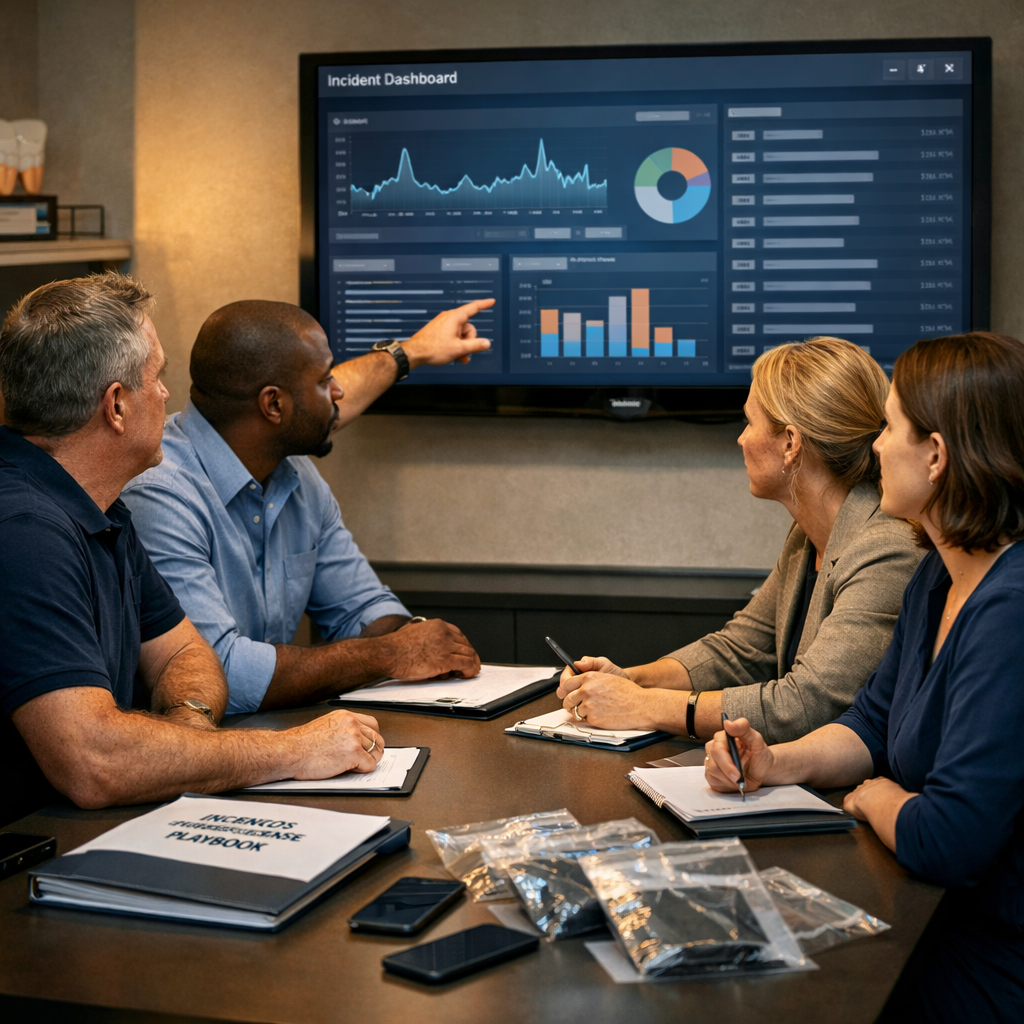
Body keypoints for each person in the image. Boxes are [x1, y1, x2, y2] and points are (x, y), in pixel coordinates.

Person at [704, 332, 1024, 1023]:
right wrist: (776, 762)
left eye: (889, 427)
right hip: (933, 915)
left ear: (936, 456)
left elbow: (949, 837)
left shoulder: (1010, 612)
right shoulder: (938, 573)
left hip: (993, 958)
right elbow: (872, 722)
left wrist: (873, 798)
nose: (873, 447)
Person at [0, 273, 387, 828]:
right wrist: (295, 750)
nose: (165, 395)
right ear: (116, 407)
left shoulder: (101, 507)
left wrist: (187, 732)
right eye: (155, 378)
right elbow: (95, 762)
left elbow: (187, 654)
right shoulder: (25, 529)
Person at [121, 298, 487, 713]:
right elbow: (219, 675)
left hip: (275, 741)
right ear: (274, 405)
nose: (339, 392)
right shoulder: (160, 493)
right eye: (324, 380)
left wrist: (418, 642)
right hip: (189, 755)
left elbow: (363, 608)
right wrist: (389, 655)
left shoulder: (295, 473)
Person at [557, 337, 923, 742]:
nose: (741, 439)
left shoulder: (888, 548)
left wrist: (644, 705)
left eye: (749, 422)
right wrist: (631, 680)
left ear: (790, 443)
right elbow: (740, 650)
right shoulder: (807, 534)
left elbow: (805, 704)